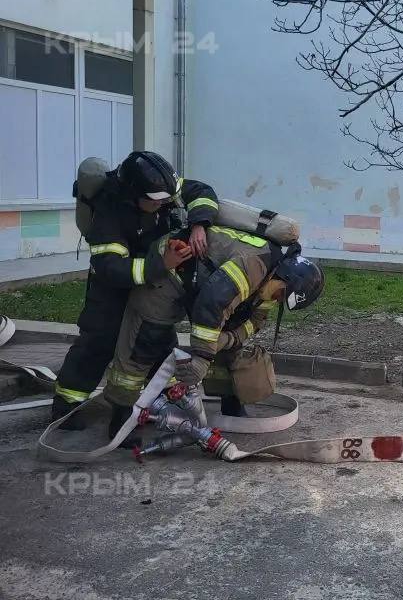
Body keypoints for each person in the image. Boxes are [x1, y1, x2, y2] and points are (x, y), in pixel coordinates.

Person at [103, 225, 324, 445]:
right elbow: (211, 305)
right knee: (146, 340)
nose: (277, 299)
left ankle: (230, 404)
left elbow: (253, 322)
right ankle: (121, 417)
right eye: (281, 294)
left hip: (202, 283)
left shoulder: (273, 281)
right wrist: (201, 357)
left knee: (226, 345)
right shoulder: (253, 266)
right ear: (284, 277)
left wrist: (228, 340)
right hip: (172, 268)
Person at [51, 152, 219, 426]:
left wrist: (200, 223)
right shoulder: (109, 211)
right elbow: (111, 268)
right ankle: (67, 403)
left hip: (154, 281)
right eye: (158, 201)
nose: (167, 203)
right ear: (134, 195)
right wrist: (161, 265)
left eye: (169, 197)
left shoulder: (161, 189)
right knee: (100, 341)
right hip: (112, 289)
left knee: (156, 338)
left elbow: (201, 191)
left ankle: (161, 397)